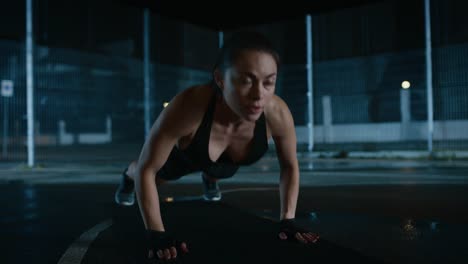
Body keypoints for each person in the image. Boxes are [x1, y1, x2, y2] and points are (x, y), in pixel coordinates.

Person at [114, 30, 319, 262]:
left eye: (269, 82)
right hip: (188, 154)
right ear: (220, 79)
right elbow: (147, 169)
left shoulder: (277, 113)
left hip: (226, 162)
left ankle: (210, 177)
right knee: (155, 175)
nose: (258, 95)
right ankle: (126, 176)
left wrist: (288, 220)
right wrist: (156, 233)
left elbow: (290, 166)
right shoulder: (188, 106)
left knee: (220, 168)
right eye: (245, 80)